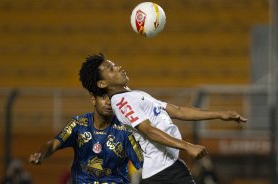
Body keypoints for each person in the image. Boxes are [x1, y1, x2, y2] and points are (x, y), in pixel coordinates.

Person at [78, 53, 247, 184]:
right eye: (111, 68)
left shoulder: (133, 95)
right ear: (102, 84)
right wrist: (187, 146)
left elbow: (178, 111)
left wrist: (220, 114)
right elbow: (148, 130)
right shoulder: (122, 102)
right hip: (164, 173)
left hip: (165, 169)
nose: (119, 67)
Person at [29, 94, 143, 184]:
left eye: (112, 99)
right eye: (103, 97)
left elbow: (143, 164)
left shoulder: (125, 130)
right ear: (93, 99)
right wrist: (41, 154)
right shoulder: (78, 124)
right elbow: (53, 144)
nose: (108, 102)